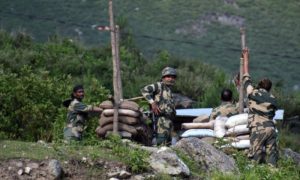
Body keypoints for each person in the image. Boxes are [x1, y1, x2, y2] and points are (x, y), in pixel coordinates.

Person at [241, 48, 279, 167]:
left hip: (258, 129)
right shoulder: (273, 99)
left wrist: (246, 58)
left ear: (260, 85)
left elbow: (246, 77)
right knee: (272, 158)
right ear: (269, 88)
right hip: (271, 129)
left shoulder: (252, 92)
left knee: (254, 159)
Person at [141, 67, 177, 146]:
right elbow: (144, 90)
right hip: (161, 120)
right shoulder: (159, 85)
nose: (171, 79)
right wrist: (152, 102)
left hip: (169, 121)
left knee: (168, 144)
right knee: (161, 142)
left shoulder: (169, 90)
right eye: (168, 76)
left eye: (173, 77)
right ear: (163, 77)